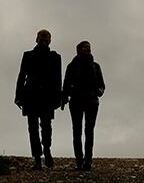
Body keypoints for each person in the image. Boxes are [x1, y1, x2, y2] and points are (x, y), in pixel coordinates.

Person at [15, 28, 63, 169]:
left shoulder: (55, 57)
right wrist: (18, 96)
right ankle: (37, 157)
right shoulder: (28, 55)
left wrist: (58, 97)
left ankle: (47, 150)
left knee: (46, 126)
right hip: (30, 95)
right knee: (33, 128)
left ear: (50, 40)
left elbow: (58, 79)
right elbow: (21, 76)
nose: (44, 40)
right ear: (37, 39)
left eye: (47, 38)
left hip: (47, 97)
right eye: (42, 37)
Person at [62, 39, 105, 171]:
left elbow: (102, 85)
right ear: (79, 50)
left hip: (92, 102)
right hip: (76, 102)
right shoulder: (72, 66)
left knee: (89, 132)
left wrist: (98, 92)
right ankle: (79, 161)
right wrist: (65, 98)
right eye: (85, 47)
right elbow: (66, 84)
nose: (88, 49)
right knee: (77, 131)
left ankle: (88, 161)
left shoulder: (95, 66)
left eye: (89, 47)